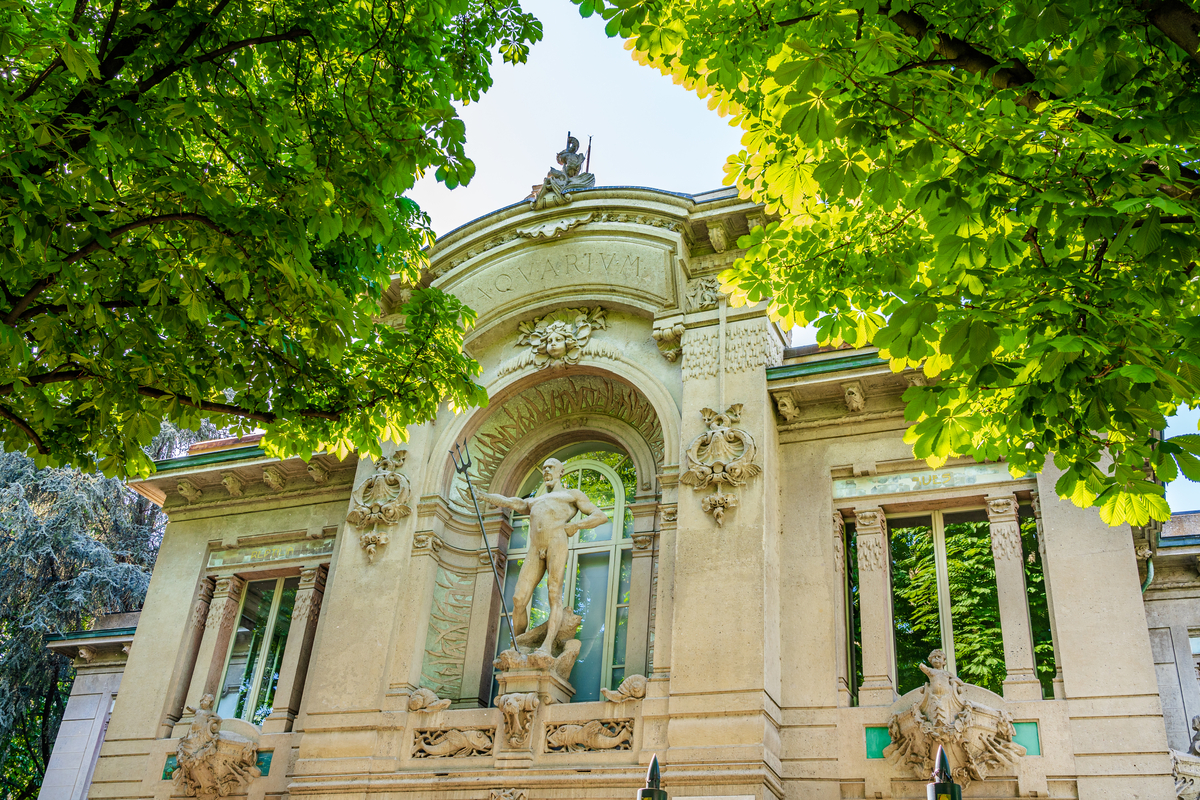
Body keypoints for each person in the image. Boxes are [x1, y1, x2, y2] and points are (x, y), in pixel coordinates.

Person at [480, 458, 607, 655]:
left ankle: (547, 646)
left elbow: (600, 516)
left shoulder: (571, 495)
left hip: (556, 543)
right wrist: (484, 496)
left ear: (561, 472)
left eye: (550, 467)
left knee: (554, 593)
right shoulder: (534, 501)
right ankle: (519, 646)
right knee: (518, 598)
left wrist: (576, 525)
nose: (546, 470)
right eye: (544, 468)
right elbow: (509, 501)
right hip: (535, 548)